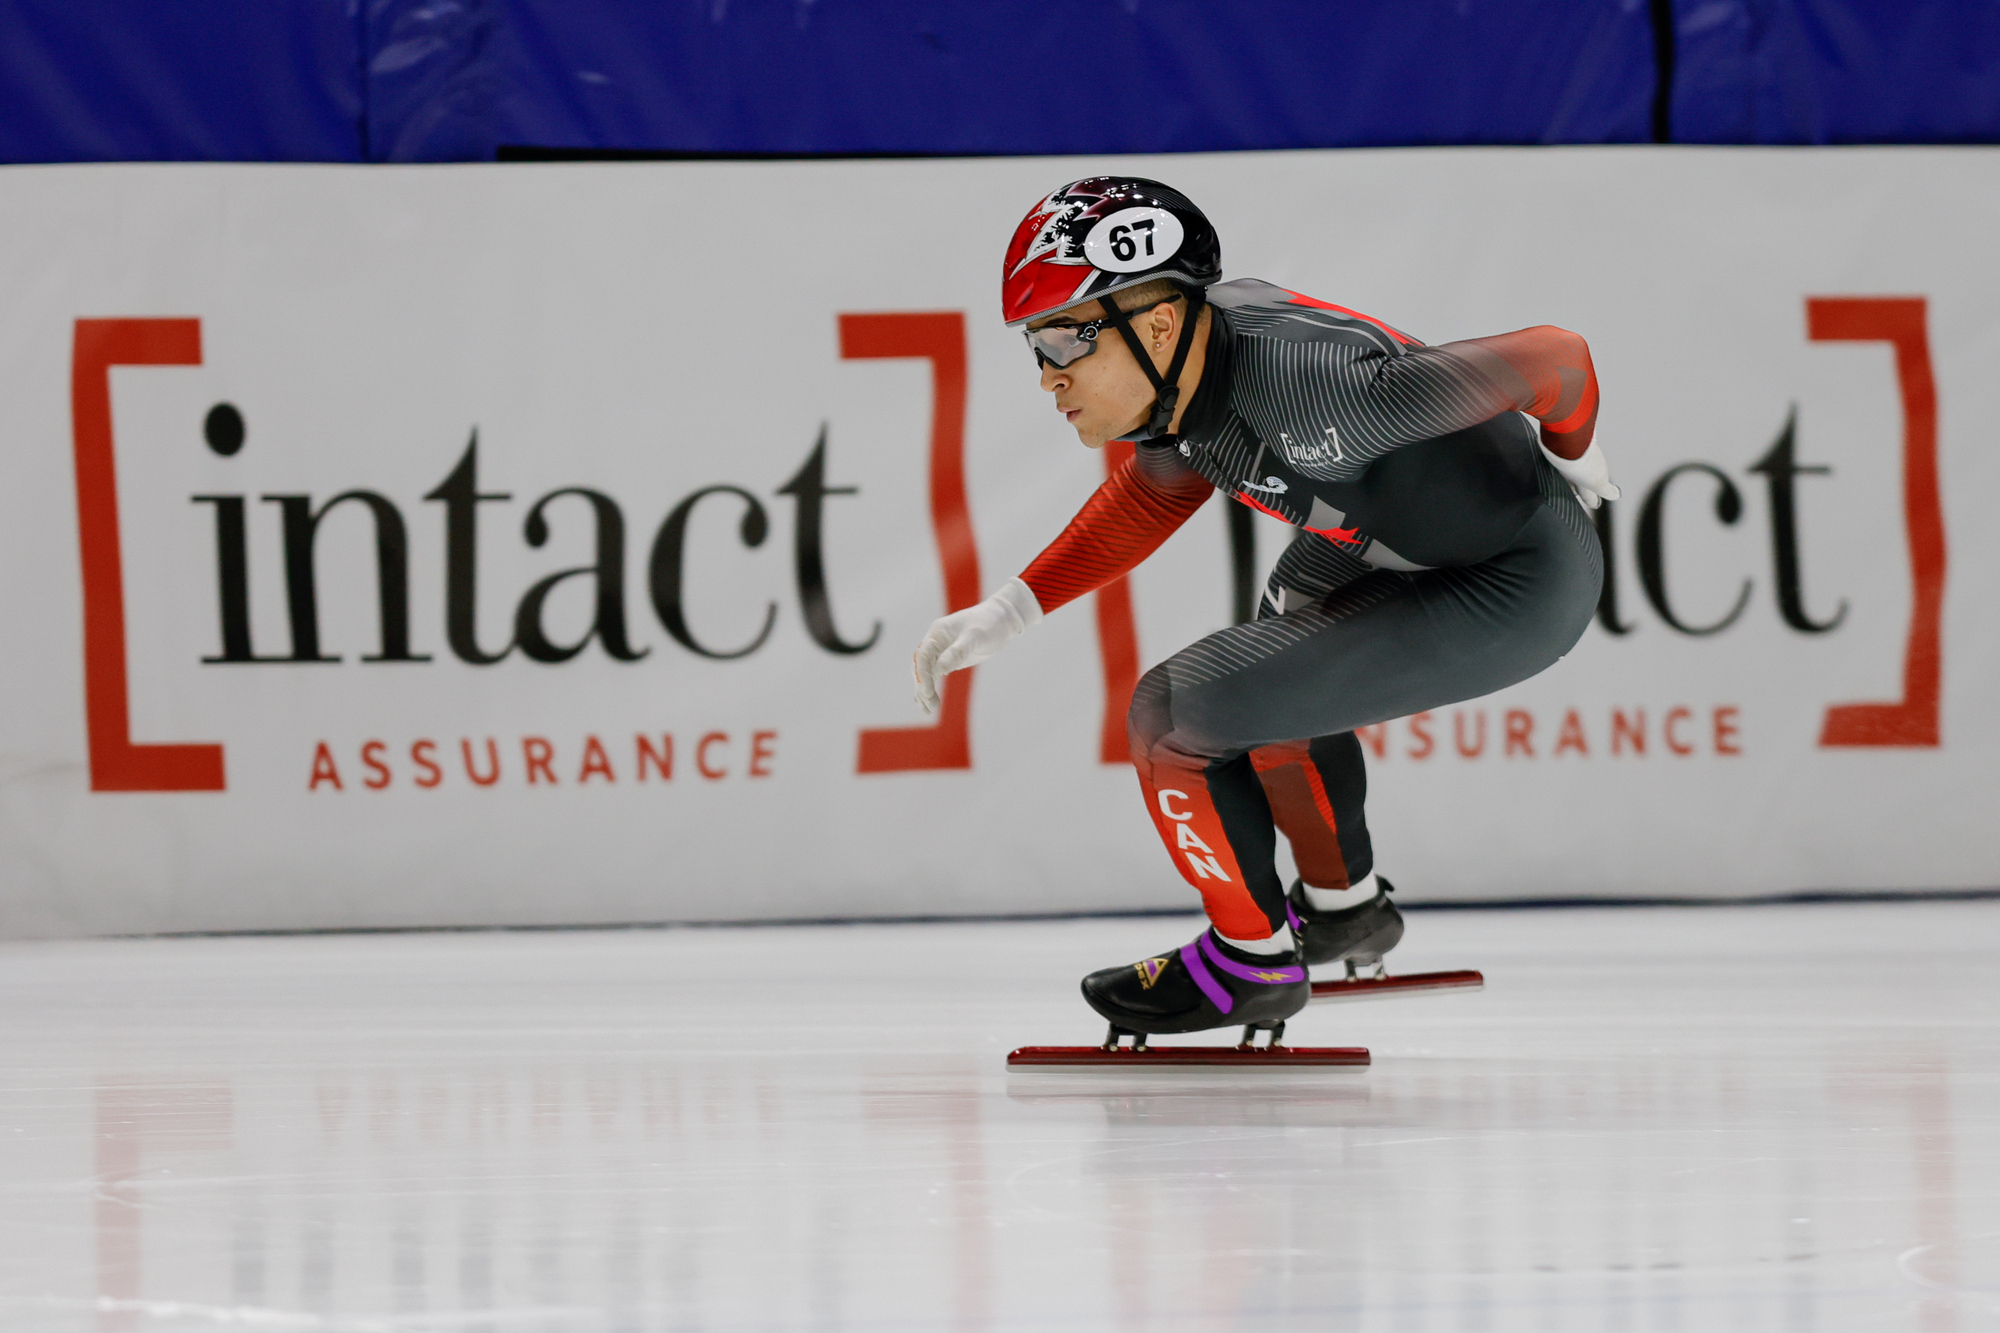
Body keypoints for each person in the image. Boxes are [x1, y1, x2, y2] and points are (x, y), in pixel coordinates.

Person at [911, 177, 1616, 1039]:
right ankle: (1344, 908)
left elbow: (1557, 359)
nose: (1049, 375)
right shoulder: (1190, 367)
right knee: (1269, 677)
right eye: (1036, 345)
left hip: (1513, 579)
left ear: (1158, 324)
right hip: (1396, 540)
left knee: (1174, 716)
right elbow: (1154, 492)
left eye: (1063, 338)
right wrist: (1010, 609)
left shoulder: (1319, 396)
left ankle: (1250, 963)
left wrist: (1576, 458)